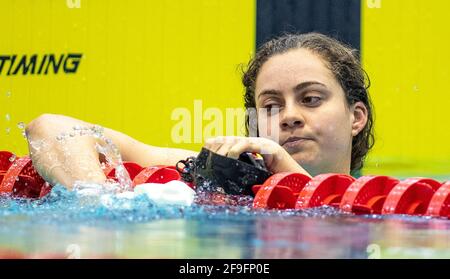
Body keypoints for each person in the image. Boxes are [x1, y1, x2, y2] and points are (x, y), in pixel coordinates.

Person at [25, 32, 374, 189]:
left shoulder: (386, 203)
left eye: (310, 99)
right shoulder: (225, 178)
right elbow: (51, 128)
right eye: (270, 106)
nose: (289, 115)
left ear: (356, 117)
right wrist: (95, 202)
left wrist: (290, 175)